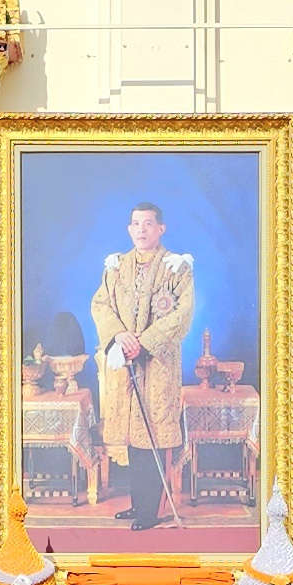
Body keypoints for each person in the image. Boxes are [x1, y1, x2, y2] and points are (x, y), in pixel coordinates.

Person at [90, 200, 195, 532]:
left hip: (157, 364)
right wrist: (120, 335)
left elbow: (182, 314)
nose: (141, 230)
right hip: (125, 361)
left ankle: (152, 510)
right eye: (136, 224)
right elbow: (100, 304)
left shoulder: (177, 267)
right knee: (133, 438)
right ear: (129, 228)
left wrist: (144, 342)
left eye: (148, 224)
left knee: (153, 435)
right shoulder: (116, 266)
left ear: (160, 229)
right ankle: (139, 504)